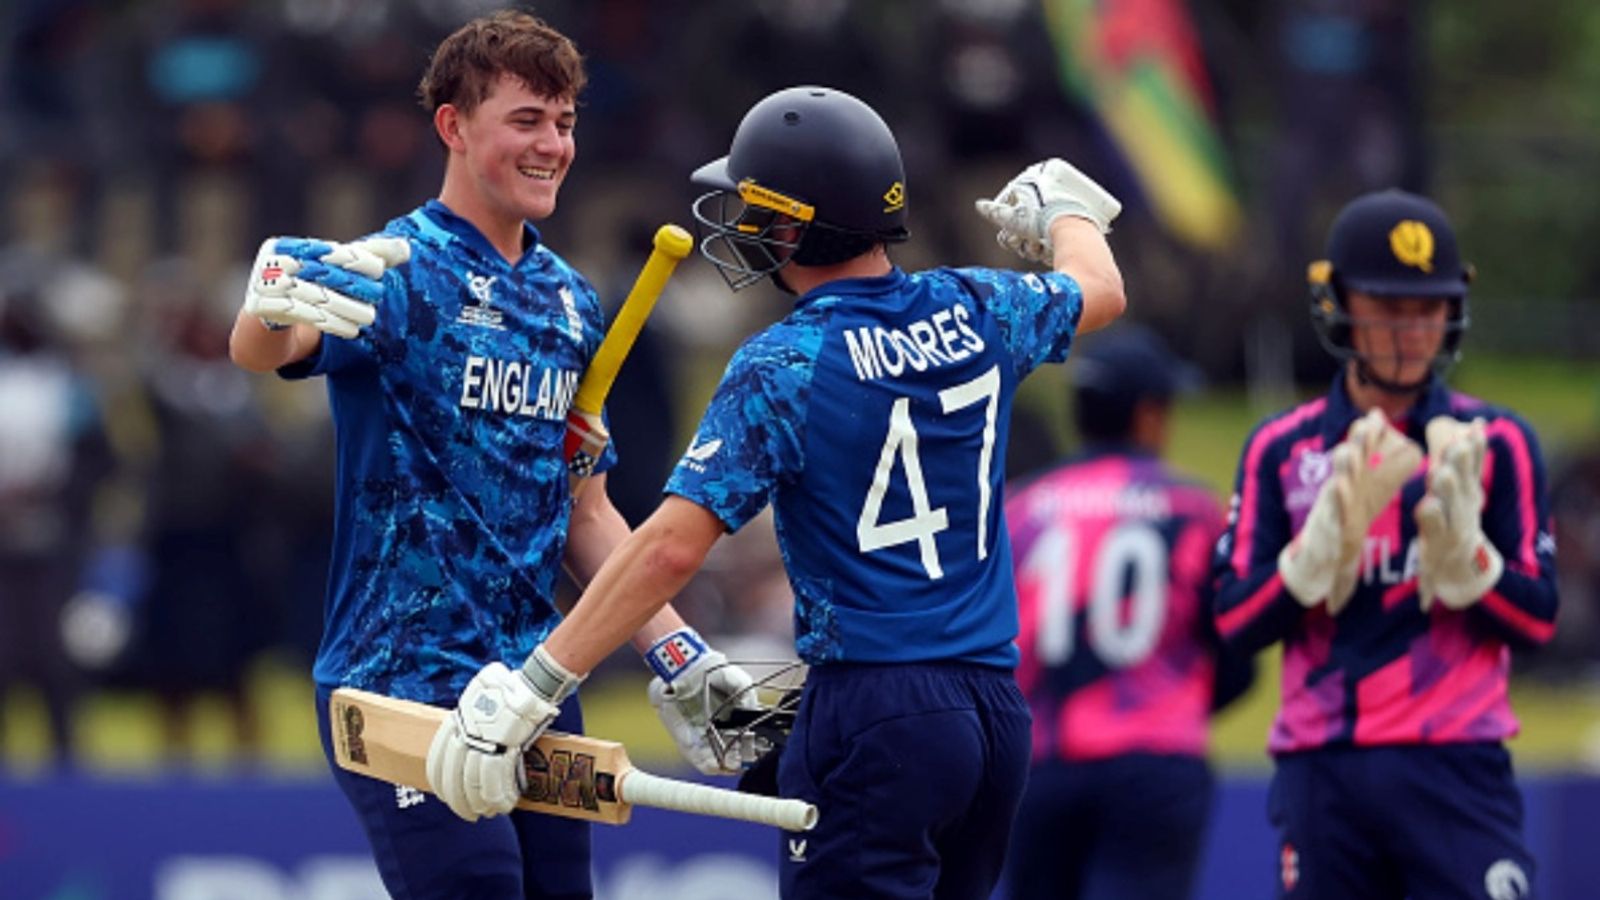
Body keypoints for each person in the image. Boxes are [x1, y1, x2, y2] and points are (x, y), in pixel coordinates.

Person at [426, 84, 1129, 900]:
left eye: (756, 208)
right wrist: (1064, 209)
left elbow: (670, 548)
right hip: (996, 715)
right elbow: (1100, 288)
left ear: (795, 226)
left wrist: (535, 687)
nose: (742, 224)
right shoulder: (979, 306)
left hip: (875, 707)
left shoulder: (785, 362)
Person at [228, 11, 749, 898]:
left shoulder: (571, 302)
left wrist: (678, 651)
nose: (552, 145)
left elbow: (585, 512)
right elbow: (265, 349)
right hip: (400, 682)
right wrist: (269, 301)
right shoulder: (395, 267)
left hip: (532, 685)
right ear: (454, 126)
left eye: (565, 122)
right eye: (526, 120)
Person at [1211, 188, 1558, 899]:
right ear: (1339, 304)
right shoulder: (1282, 447)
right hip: (1324, 766)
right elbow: (1235, 622)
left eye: (1428, 309)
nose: (1411, 332)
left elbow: (1539, 621)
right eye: (1388, 308)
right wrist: (1306, 565)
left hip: (1458, 761)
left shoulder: (1497, 443)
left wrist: (1473, 566)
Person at [1001, 324, 1253, 900]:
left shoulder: (1021, 510)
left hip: (1040, 762)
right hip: (1153, 763)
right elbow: (1238, 655)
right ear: (1147, 415)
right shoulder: (1192, 508)